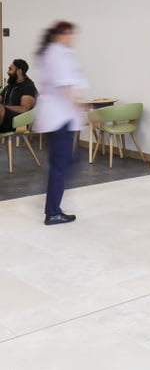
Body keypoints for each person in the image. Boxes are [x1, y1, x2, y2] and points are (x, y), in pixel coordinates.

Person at [35, 21, 85, 225]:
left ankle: (53, 207)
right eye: (70, 34)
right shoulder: (57, 54)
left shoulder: (52, 53)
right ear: (61, 35)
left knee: (64, 163)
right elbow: (65, 87)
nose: (72, 38)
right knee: (61, 166)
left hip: (56, 117)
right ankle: (52, 212)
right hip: (59, 118)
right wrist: (78, 107)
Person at [0, 59, 38, 134]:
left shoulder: (28, 87)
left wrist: (3, 107)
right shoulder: (9, 86)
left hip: (16, 119)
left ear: (19, 71)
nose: (8, 72)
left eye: (10, 69)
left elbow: (24, 109)